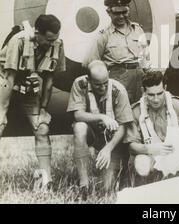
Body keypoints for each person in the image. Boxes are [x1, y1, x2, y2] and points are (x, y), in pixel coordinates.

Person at [0, 15, 65, 190]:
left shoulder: (57, 44)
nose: (52, 43)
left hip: (28, 88)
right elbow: (9, 78)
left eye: (55, 39)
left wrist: (43, 109)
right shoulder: (19, 41)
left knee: (42, 128)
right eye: (49, 39)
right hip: (4, 84)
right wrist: (2, 112)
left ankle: (46, 181)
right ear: (37, 33)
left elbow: (50, 80)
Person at [124, 70, 179, 183]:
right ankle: (151, 188)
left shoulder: (175, 103)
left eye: (159, 94)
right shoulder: (137, 111)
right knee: (141, 163)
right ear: (143, 91)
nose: (156, 99)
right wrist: (154, 148)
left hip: (177, 152)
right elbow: (132, 146)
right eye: (151, 95)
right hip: (153, 155)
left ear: (165, 88)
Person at [67, 60, 133, 200]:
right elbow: (77, 114)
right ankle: (84, 185)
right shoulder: (80, 84)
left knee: (107, 188)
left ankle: (120, 168)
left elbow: (123, 126)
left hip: (112, 140)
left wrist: (108, 149)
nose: (102, 87)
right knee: (79, 127)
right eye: (97, 84)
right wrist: (102, 117)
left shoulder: (118, 89)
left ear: (108, 75)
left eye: (105, 83)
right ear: (89, 79)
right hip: (93, 133)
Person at [83, 0, 150, 104]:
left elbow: (146, 58)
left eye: (124, 12)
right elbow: (89, 63)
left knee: (143, 110)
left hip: (141, 79)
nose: (121, 16)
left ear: (128, 10)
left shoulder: (138, 30)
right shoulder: (103, 36)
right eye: (117, 13)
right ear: (109, 12)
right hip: (118, 81)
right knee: (121, 114)